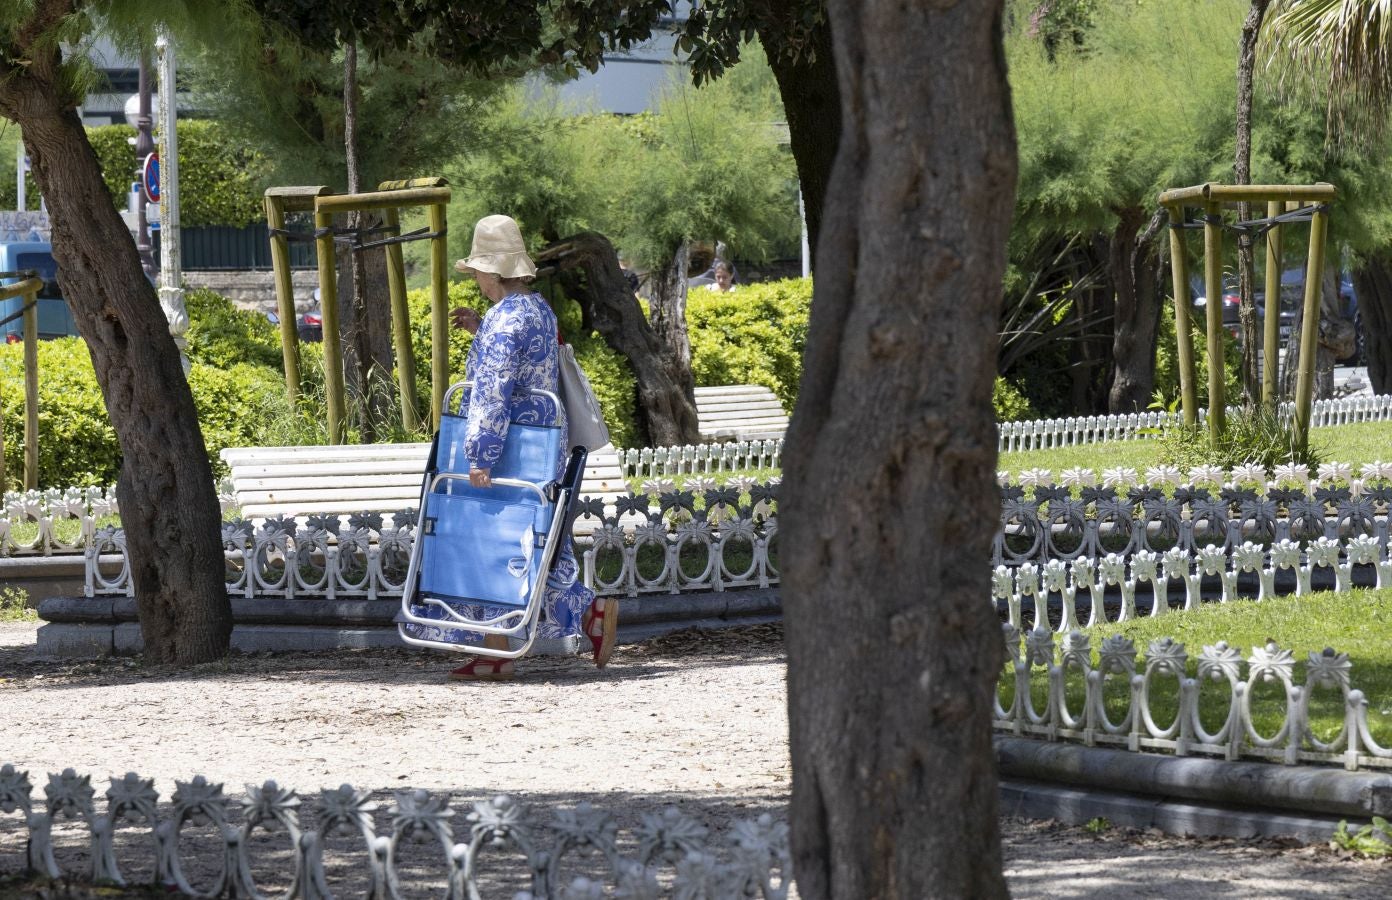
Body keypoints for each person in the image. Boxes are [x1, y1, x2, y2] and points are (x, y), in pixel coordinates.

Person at [405, 214, 617, 681]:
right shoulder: (536, 309)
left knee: (488, 542)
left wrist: (480, 456)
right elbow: (529, 364)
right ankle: (582, 615)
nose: (477, 279)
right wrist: (482, 328)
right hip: (544, 444)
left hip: (508, 447)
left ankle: (498, 647)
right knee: (536, 539)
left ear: (495, 271)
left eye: (479, 270)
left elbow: (492, 391)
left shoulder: (504, 323)